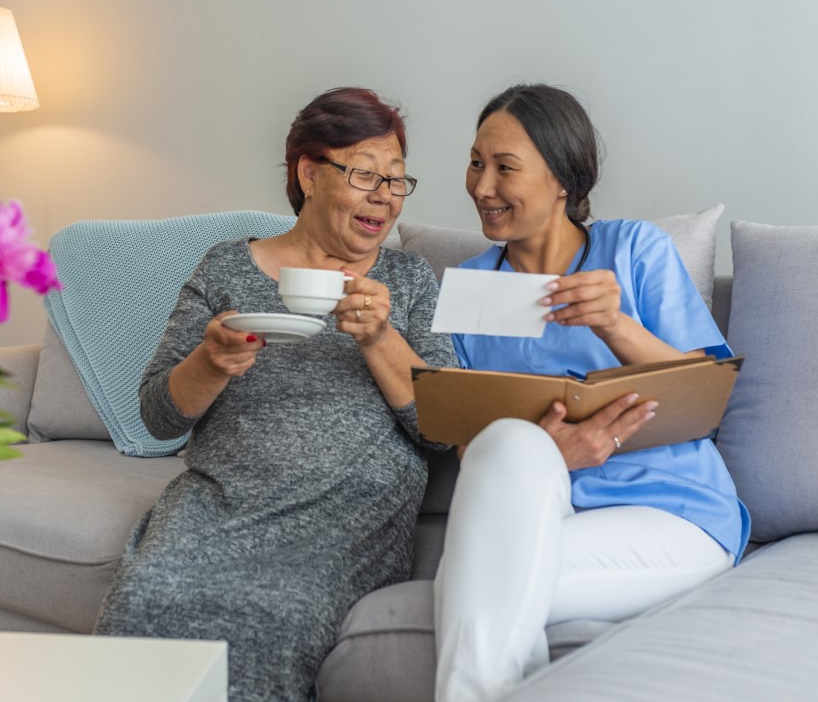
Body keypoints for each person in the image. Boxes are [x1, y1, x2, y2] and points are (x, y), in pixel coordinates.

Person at [95, 86, 457, 701]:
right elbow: (157, 417)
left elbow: (442, 426)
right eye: (365, 175)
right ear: (309, 173)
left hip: (346, 521)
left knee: (273, 615)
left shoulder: (407, 281)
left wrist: (380, 338)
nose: (385, 197)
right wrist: (210, 361)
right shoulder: (226, 270)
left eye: (397, 181)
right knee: (145, 597)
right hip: (218, 504)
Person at [433, 84, 751, 701]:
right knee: (504, 444)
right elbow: (473, 453)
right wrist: (553, 453)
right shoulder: (470, 289)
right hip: (540, 509)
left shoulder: (634, 251)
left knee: (468, 589)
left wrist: (615, 323)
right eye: (476, 162)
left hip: (671, 511)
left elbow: (707, 398)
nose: (480, 186)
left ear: (562, 180)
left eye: (505, 168)